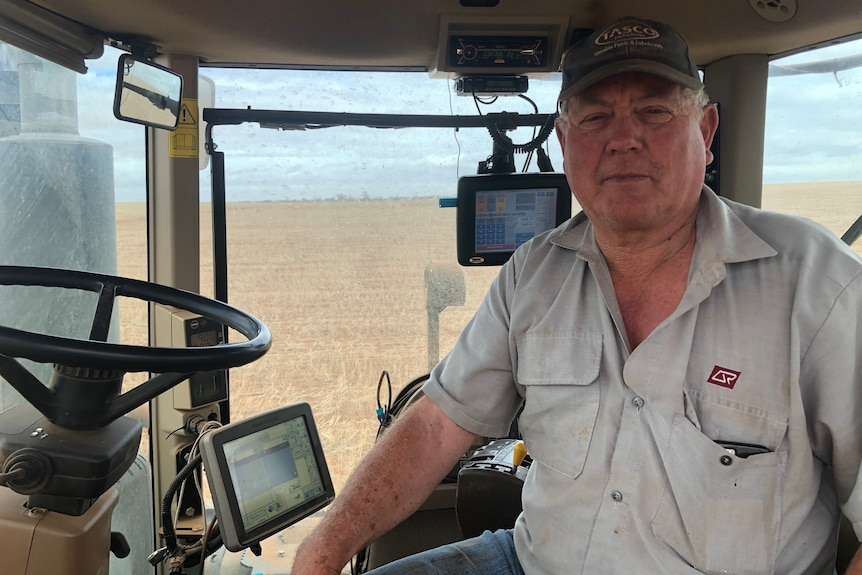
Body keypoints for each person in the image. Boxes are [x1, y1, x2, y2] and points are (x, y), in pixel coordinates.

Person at [293, 16, 862, 575]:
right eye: (594, 117)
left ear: (706, 132)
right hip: (533, 559)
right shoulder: (533, 274)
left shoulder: (816, 284)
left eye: (654, 111)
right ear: (564, 143)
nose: (623, 139)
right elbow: (440, 423)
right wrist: (321, 553)